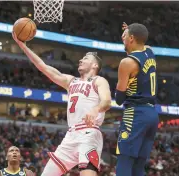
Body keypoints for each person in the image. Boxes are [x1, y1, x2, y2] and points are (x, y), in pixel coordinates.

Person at [12, 33, 111, 176]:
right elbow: (43, 67)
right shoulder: (71, 81)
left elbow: (107, 101)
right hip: (71, 135)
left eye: (85, 59)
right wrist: (23, 46)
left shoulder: (99, 81)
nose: (80, 60)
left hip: (89, 132)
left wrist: (96, 109)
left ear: (95, 65)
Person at [115, 22, 159, 176]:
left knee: (125, 161)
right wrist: (129, 29)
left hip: (135, 114)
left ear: (132, 38)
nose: (123, 38)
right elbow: (141, 38)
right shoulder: (150, 52)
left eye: (125, 36)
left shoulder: (127, 63)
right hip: (152, 114)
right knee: (139, 166)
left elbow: (119, 98)